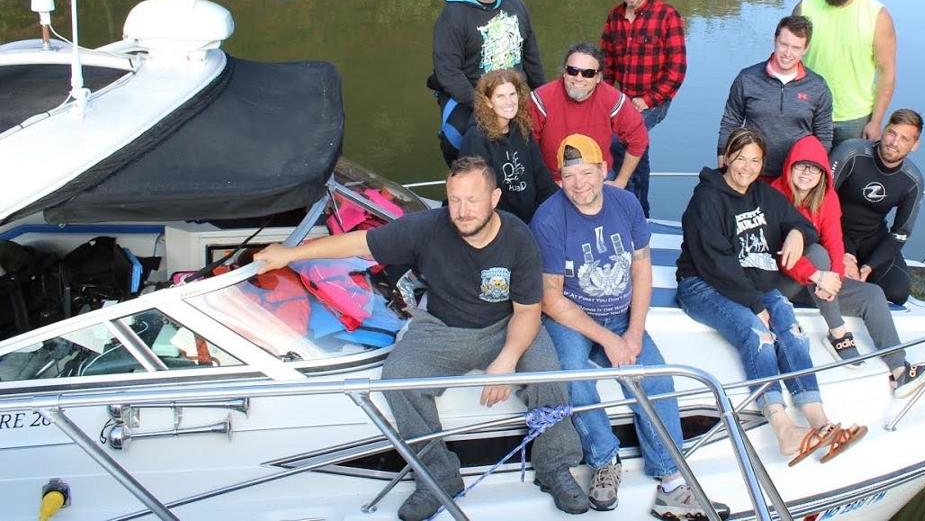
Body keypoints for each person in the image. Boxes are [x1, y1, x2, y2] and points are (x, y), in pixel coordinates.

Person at [253, 158, 587, 521]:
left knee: (548, 374)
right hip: (441, 328)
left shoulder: (518, 237)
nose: (462, 211)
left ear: (494, 198)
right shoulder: (427, 227)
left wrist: (507, 360)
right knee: (399, 378)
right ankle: (437, 477)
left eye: (472, 200)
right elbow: (361, 243)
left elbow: (527, 312)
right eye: (454, 199)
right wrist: (291, 254)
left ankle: (555, 465)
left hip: (505, 326)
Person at [533, 134, 725, 519]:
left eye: (586, 172)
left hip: (621, 312)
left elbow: (641, 266)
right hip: (572, 316)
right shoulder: (548, 219)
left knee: (657, 379)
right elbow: (551, 297)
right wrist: (608, 340)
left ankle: (670, 479)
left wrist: (633, 332)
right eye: (569, 176)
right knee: (573, 375)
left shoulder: (626, 204)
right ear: (559, 179)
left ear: (604, 170)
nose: (579, 184)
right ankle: (605, 461)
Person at [676, 128, 867, 465]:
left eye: (755, 160)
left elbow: (803, 223)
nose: (747, 168)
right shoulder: (706, 200)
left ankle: (820, 422)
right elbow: (716, 264)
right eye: (740, 159)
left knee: (791, 330)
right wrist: (756, 304)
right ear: (727, 159)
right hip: (702, 284)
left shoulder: (763, 193)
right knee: (758, 335)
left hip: (753, 283)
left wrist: (795, 232)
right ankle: (783, 428)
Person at [769, 134, 925, 397]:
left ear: (823, 173)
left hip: (817, 285)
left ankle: (899, 368)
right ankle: (837, 333)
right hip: (780, 283)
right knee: (816, 252)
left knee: (872, 294)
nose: (806, 173)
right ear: (789, 165)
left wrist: (833, 276)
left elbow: (835, 239)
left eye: (814, 168)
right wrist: (820, 275)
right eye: (800, 165)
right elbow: (780, 257)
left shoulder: (826, 197)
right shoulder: (773, 197)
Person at [430, 0, 545, 165]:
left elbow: (531, 56)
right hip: (470, 95)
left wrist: (542, 96)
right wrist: (486, 105)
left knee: (536, 135)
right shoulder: (452, 15)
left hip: (513, 93)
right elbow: (448, 72)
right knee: (459, 139)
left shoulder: (516, 4)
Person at [600, 0, 688, 217]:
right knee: (613, 139)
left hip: (655, 100)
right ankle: (623, 202)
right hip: (621, 101)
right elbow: (606, 66)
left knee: (626, 139)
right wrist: (603, 101)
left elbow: (677, 69)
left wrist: (649, 100)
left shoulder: (666, 15)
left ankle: (638, 210)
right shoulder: (614, 17)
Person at [792, 0, 896, 150]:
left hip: (855, 119)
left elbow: (887, 72)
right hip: (808, 112)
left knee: (851, 179)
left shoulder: (877, 15)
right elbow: (786, 59)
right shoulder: (805, 8)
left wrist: (876, 122)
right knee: (804, 177)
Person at [717, 16, 833, 180]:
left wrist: (813, 171)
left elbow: (824, 135)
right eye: (784, 44)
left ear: (805, 49)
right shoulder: (747, 78)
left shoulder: (818, 86)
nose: (788, 53)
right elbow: (731, 120)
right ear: (775, 40)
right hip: (752, 173)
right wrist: (723, 152)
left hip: (794, 178)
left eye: (796, 47)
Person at [830, 108, 925, 306]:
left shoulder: (912, 180)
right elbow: (820, 201)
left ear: (915, 145)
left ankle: (861, 280)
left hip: (871, 237)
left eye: (904, 139)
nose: (894, 142)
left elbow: (901, 233)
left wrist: (868, 267)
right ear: (883, 131)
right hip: (834, 230)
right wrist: (842, 253)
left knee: (898, 293)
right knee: (835, 278)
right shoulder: (851, 152)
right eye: (892, 133)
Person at [530, 42, 648, 188]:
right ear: (564, 73)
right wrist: (544, 182)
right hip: (553, 181)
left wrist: (621, 181)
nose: (579, 78)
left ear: (598, 77)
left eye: (588, 73)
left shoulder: (612, 99)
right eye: (573, 71)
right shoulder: (541, 99)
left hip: (598, 179)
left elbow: (638, 138)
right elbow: (526, 145)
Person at [458, 69, 556, 223]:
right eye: (500, 96)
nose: (509, 102)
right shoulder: (476, 138)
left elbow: (541, 175)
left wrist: (559, 205)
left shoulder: (523, 129)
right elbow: (478, 193)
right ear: (488, 102)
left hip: (532, 216)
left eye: (512, 94)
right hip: (501, 223)